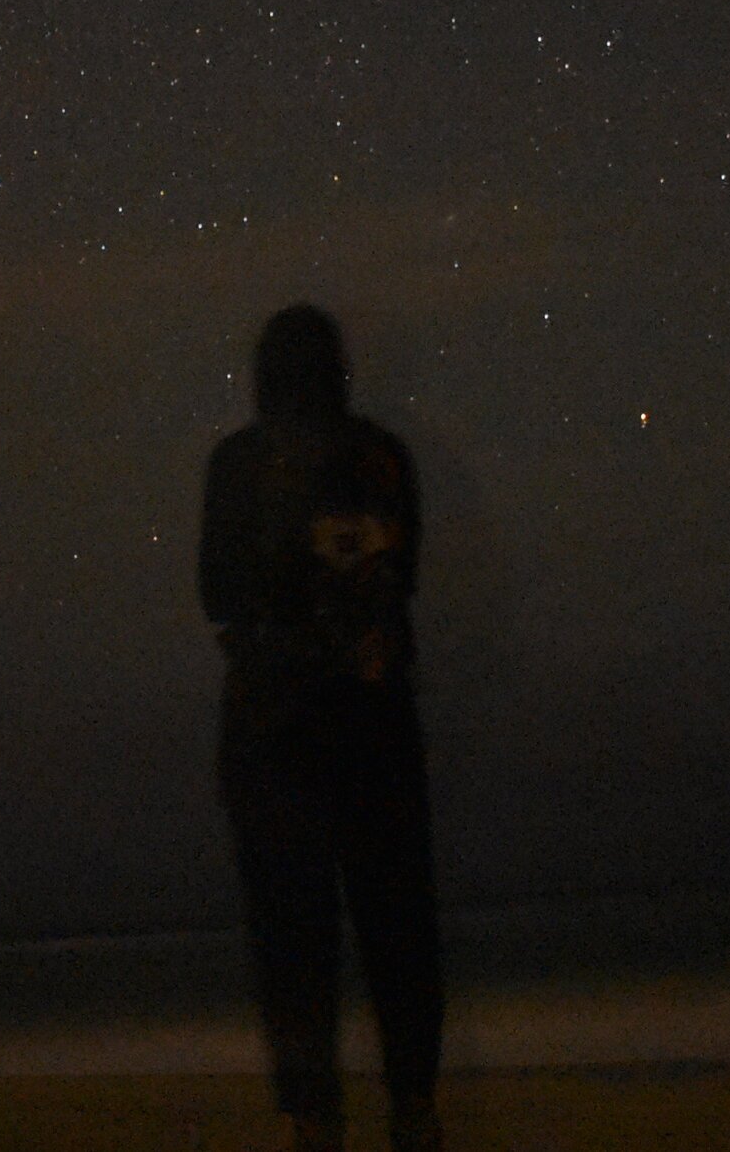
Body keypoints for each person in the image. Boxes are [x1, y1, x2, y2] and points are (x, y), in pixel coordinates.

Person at [199, 305, 444, 1152]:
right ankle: (411, 1111)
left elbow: (217, 598)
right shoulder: (383, 460)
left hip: (275, 737)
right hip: (374, 728)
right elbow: (400, 575)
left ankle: (315, 1121)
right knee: (397, 930)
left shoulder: (239, 466)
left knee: (293, 944)